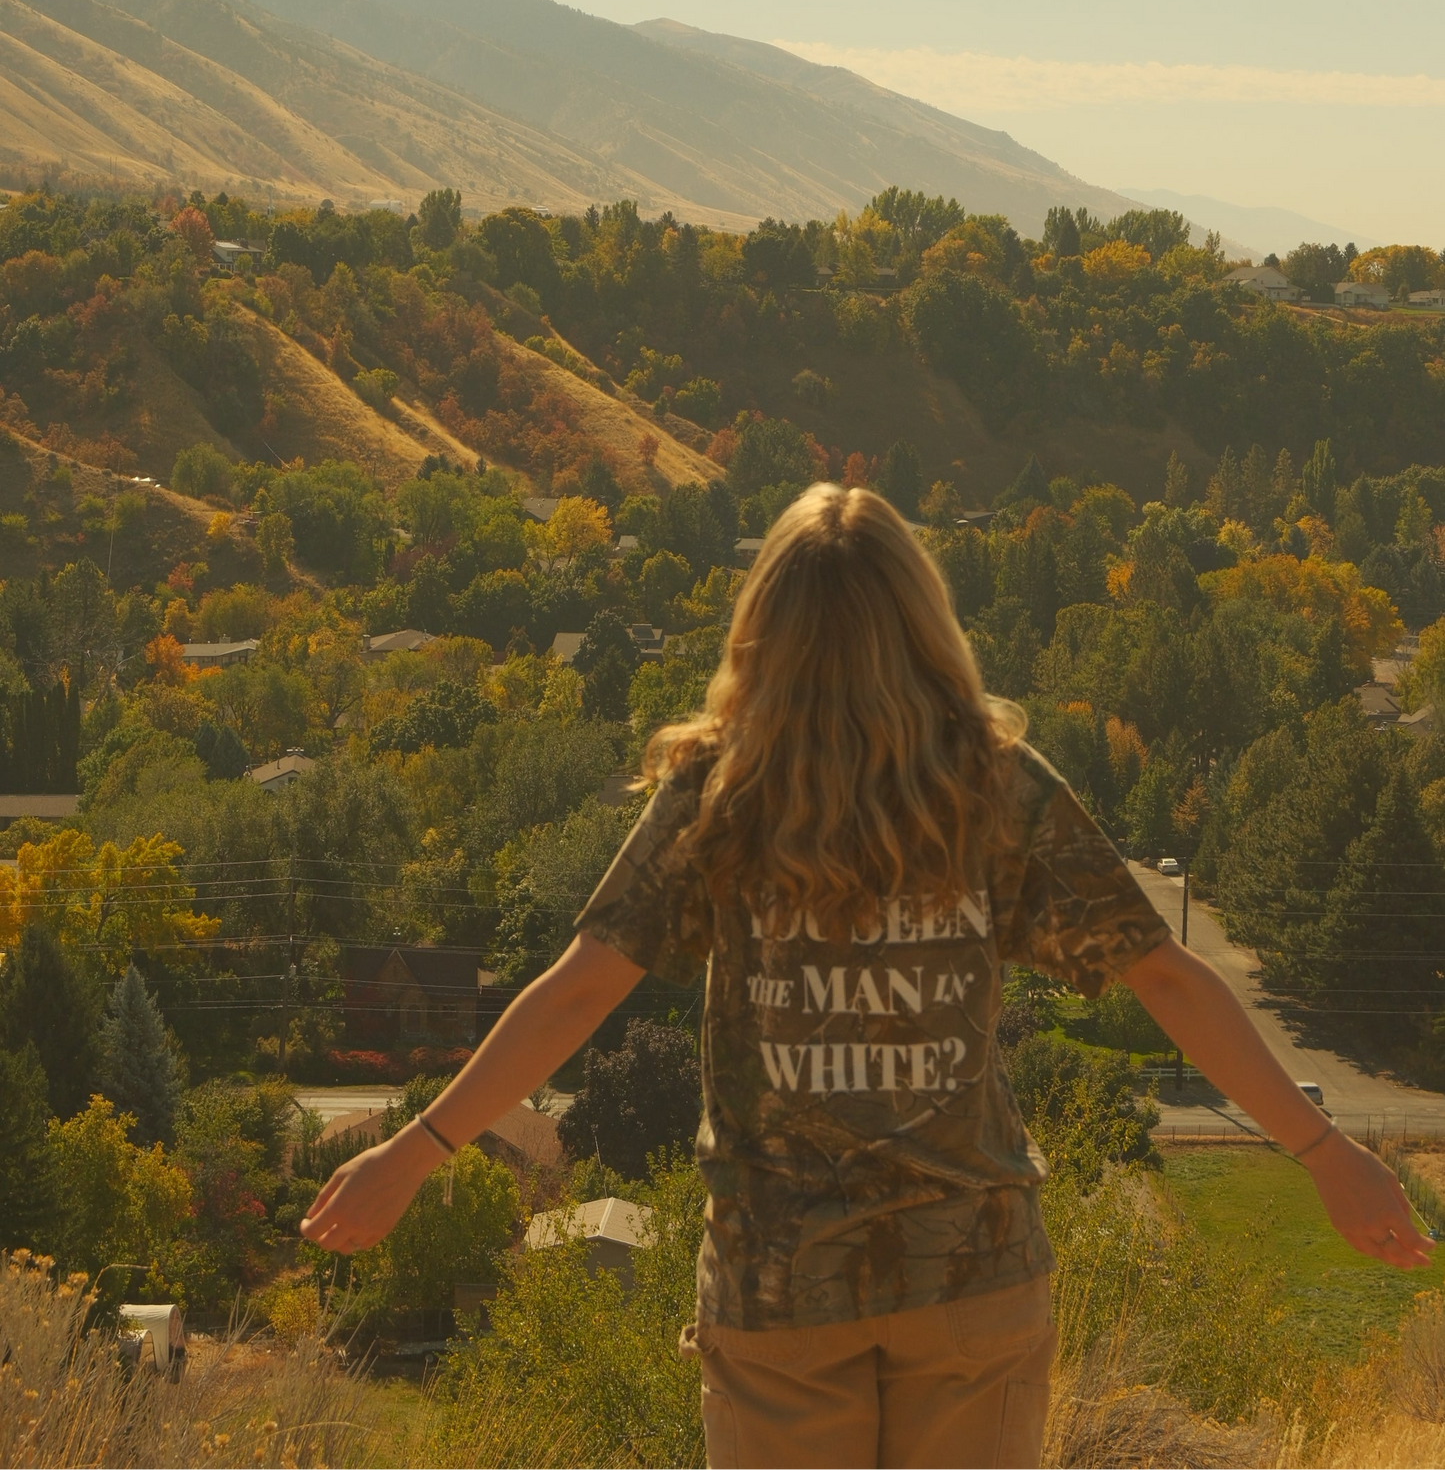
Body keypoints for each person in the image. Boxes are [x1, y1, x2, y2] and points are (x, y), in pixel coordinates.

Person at [303, 483, 1431, 1470]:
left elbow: (579, 988)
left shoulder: (715, 795)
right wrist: (1325, 1157)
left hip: (777, 1288)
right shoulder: (993, 786)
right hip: (973, 1279)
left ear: (761, 636)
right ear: (922, 621)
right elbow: (1167, 980)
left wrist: (417, 1151)